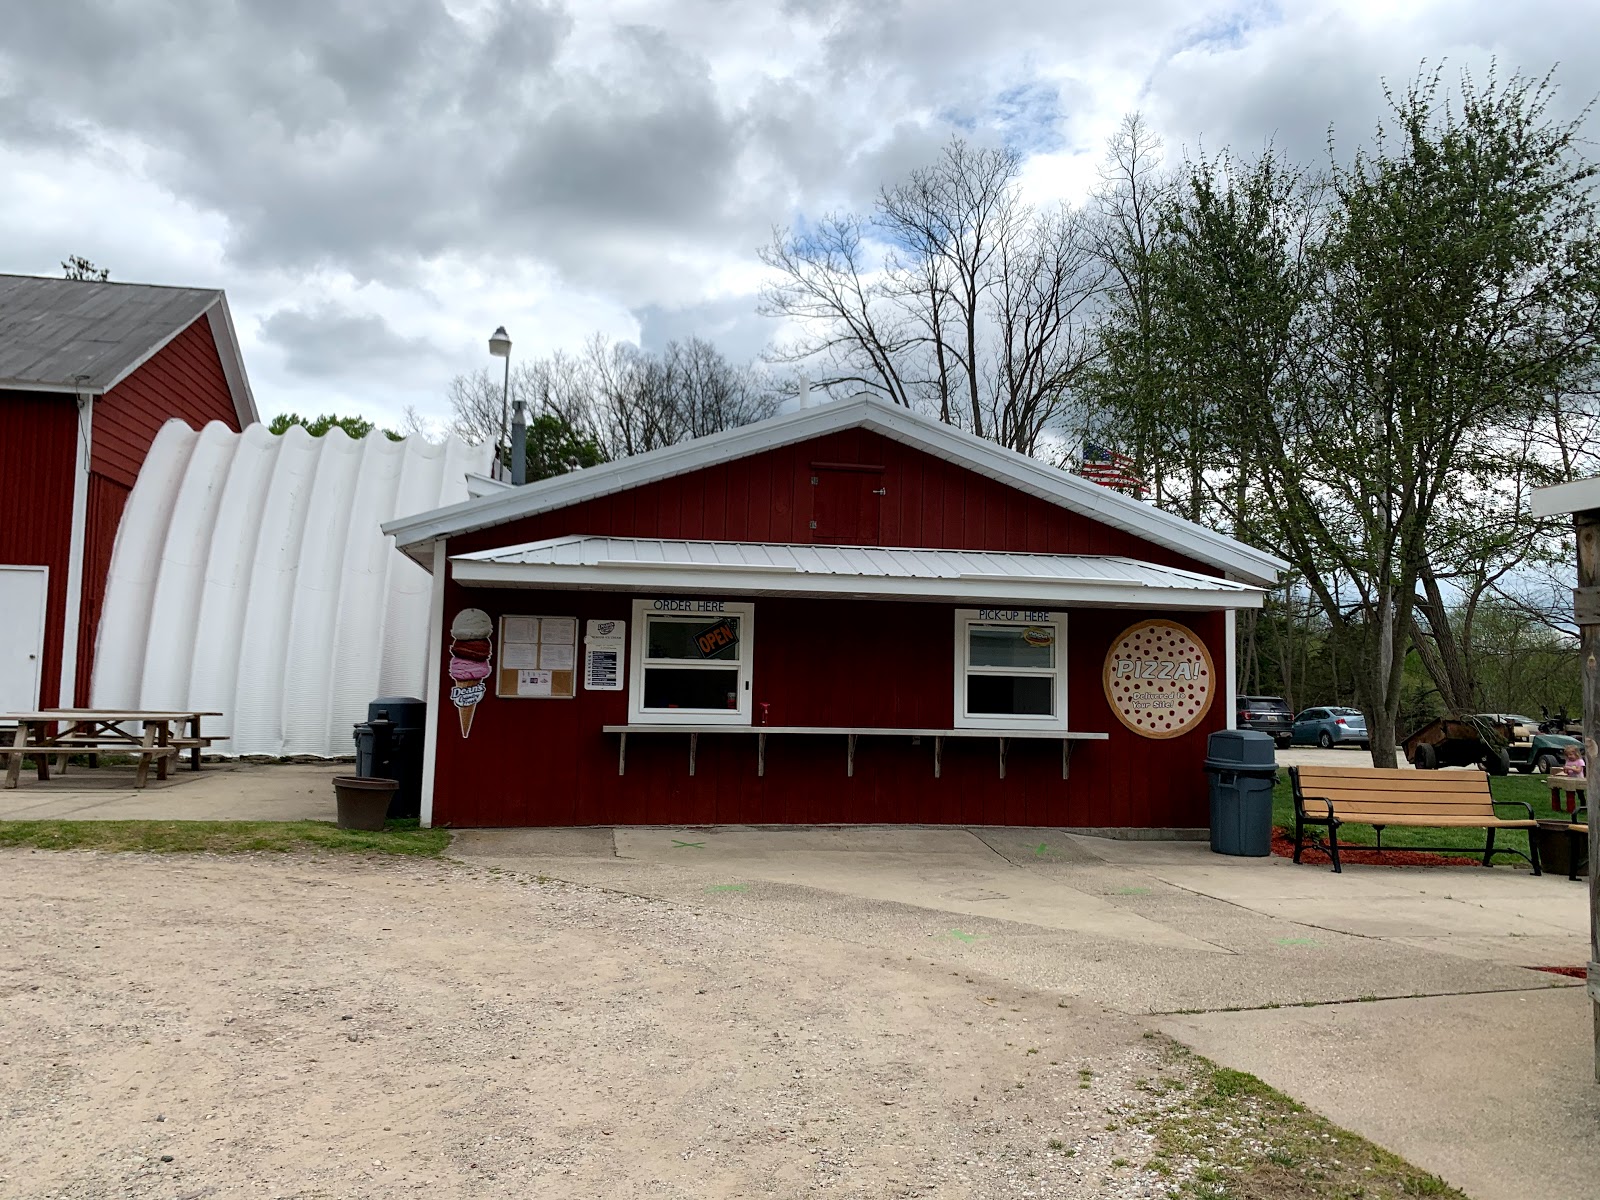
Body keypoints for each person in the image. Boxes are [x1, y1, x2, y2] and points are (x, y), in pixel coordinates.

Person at [1549, 744, 1586, 814]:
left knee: (1580, 794)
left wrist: (1570, 768)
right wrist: (1565, 770)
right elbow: (1566, 771)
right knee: (1570, 793)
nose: (1569, 756)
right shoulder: (1568, 761)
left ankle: (1583, 806)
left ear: (1576, 754)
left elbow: (1579, 770)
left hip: (1579, 779)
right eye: (1568, 755)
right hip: (1570, 779)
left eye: (1571, 754)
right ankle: (1570, 808)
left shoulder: (1580, 761)